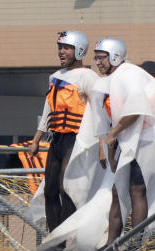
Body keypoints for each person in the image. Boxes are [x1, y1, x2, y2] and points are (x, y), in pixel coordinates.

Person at [92, 37, 155, 245]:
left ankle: (136, 243)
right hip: (127, 137)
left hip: (146, 138)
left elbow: (136, 111)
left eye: (102, 58)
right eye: (96, 58)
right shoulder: (113, 78)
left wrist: (113, 134)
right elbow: (111, 117)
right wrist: (108, 144)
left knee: (137, 190)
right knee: (117, 190)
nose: (98, 62)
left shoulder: (129, 74)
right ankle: (111, 244)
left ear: (115, 57)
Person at [28, 30, 98, 233]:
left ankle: (68, 234)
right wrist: (36, 139)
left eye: (66, 48)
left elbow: (100, 111)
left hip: (77, 139)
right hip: (57, 138)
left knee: (65, 187)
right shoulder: (55, 77)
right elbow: (47, 109)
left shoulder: (88, 76)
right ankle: (55, 234)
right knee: (50, 189)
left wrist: (101, 144)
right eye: (60, 47)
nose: (61, 52)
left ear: (79, 50)